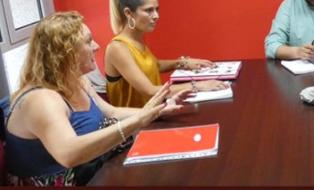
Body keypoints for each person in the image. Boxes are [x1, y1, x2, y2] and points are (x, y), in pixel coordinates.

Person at [5, 12, 190, 185]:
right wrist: (137, 122)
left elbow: (111, 112)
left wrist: (154, 112)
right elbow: (68, 154)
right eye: (88, 41)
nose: (97, 46)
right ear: (66, 52)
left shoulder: (77, 79)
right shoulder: (41, 100)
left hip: (92, 171)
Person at [105, 0, 228, 108]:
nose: (156, 16)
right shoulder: (117, 48)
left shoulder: (136, 40)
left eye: (157, 9)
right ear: (128, 13)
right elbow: (149, 91)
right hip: (137, 123)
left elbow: (153, 65)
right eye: (149, 10)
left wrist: (182, 63)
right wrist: (198, 86)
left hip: (156, 113)